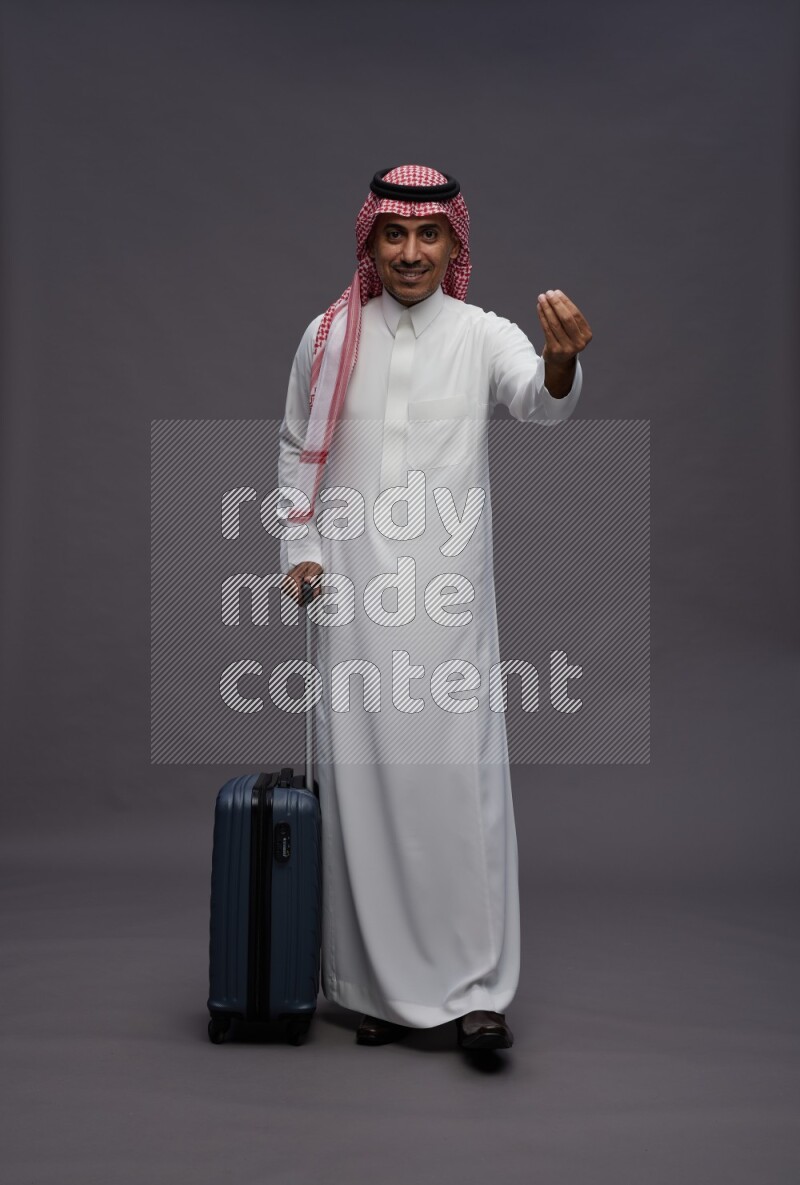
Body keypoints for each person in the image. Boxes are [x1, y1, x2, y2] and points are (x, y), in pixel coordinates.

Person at [277, 165, 591, 1051]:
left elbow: (540, 402)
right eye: (395, 236)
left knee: (460, 789)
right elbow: (295, 443)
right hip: (355, 597)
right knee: (366, 791)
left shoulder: (479, 334)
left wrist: (562, 359)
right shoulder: (331, 336)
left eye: (429, 237)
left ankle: (478, 991)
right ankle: (373, 990)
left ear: (454, 245)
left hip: (449, 604)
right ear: (370, 241)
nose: (411, 253)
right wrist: (301, 552)